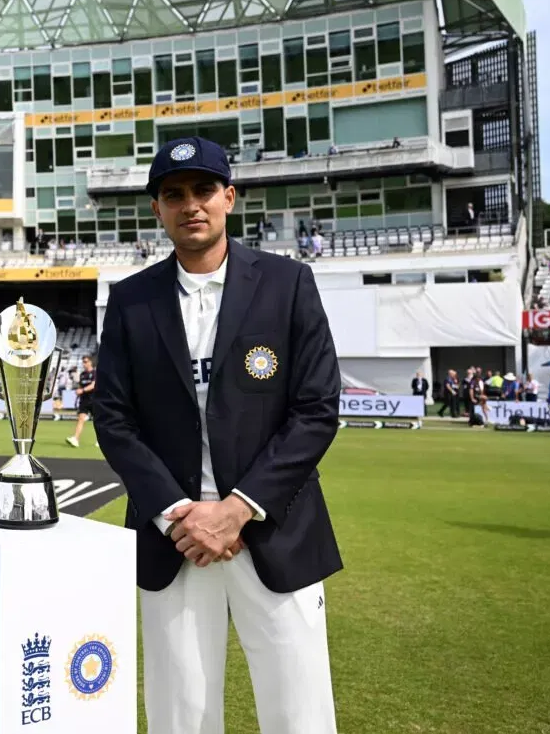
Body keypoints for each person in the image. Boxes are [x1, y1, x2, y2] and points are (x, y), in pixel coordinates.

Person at [94, 136, 342, 734]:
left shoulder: (288, 283)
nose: (191, 205)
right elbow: (113, 417)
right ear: (157, 209)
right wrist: (182, 514)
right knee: (182, 713)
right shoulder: (130, 300)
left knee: (299, 712)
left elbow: (316, 408)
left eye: (204, 190)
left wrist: (236, 510)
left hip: (274, 527)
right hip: (174, 538)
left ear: (229, 197)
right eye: (173, 194)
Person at [65, 355, 96, 448]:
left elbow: (94, 385)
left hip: (95, 400)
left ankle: (100, 440)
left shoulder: (95, 372)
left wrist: (82, 390)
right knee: (81, 419)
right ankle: (75, 439)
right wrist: (78, 391)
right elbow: (80, 386)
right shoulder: (82, 374)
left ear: (90, 362)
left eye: (86, 361)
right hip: (84, 400)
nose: (84, 363)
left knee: (98, 422)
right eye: (83, 362)